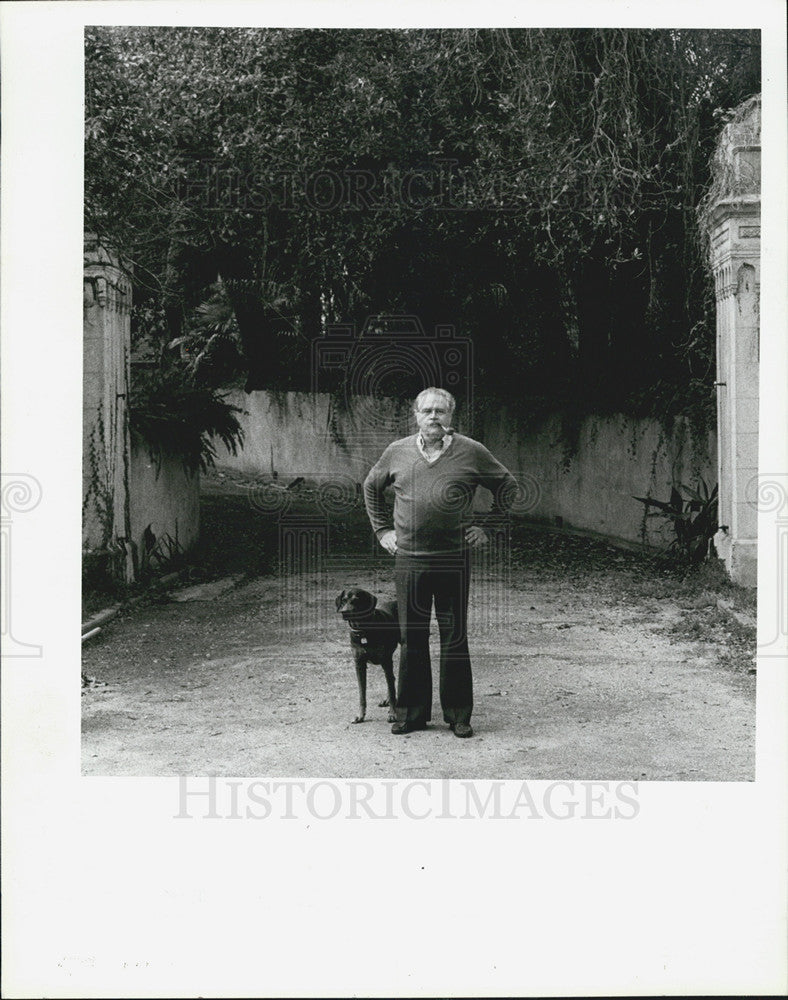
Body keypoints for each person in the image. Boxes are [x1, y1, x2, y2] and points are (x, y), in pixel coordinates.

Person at [363, 387, 517, 737]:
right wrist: (382, 531)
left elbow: (507, 487)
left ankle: (458, 715)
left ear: (451, 417)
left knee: (454, 636)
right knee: (411, 636)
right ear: (415, 415)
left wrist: (487, 527)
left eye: (441, 412)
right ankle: (411, 714)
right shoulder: (397, 452)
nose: (434, 417)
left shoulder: (471, 451)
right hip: (410, 561)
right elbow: (371, 487)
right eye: (427, 411)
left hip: (452, 560)